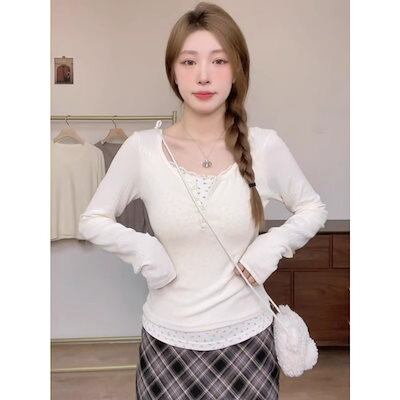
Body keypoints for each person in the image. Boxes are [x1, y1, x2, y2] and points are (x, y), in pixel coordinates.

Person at [79, 2, 328, 399]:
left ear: (238, 69)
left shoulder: (265, 146)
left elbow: (312, 208)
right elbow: (92, 219)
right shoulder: (142, 149)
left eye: (219, 60)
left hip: (248, 344)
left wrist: (271, 246)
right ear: (173, 72)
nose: (204, 75)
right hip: (167, 346)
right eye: (189, 61)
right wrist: (145, 249)